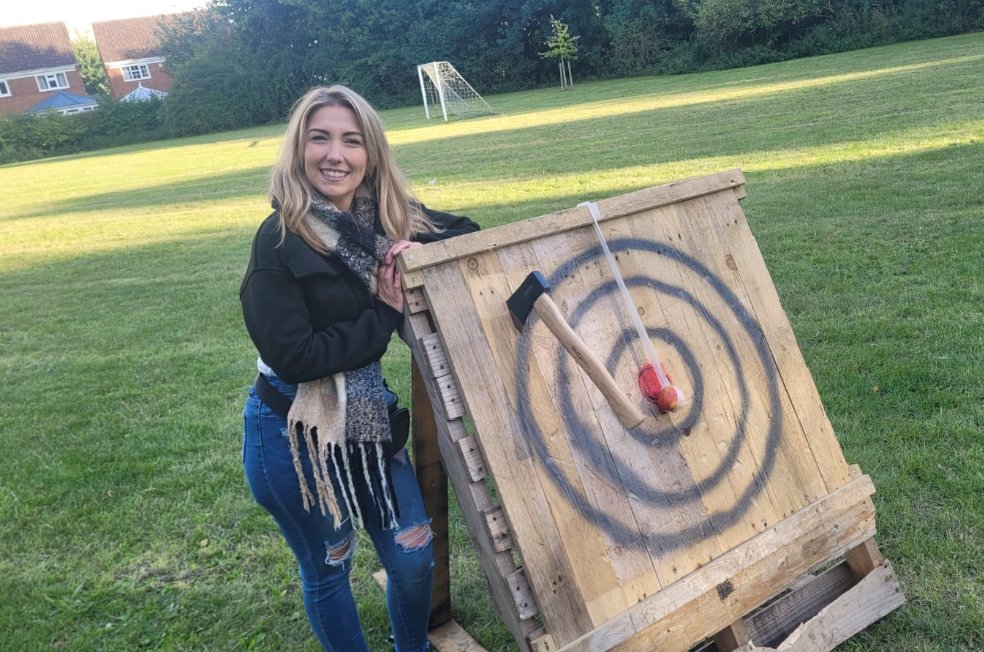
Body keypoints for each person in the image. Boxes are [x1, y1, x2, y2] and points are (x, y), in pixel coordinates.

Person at [239, 85, 479, 652]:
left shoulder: (383, 220)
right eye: (319, 138)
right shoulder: (277, 242)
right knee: (330, 565)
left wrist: (410, 250)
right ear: (298, 149)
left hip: (366, 423)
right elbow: (295, 356)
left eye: (351, 141)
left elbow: (468, 233)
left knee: (414, 555)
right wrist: (382, 313)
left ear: (370, 153)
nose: (335, 155)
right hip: (293, 429)